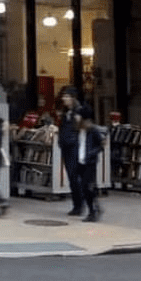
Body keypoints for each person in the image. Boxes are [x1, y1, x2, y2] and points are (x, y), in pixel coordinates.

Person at [58, 87, 91, 218]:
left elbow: (84, 129)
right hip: (66, 146)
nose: (63, 99)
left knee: (75, 176)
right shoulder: (67, 112)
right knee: (72, 178)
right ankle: (77, 204)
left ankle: (81, 204)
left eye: (66, 96)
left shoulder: (79, 111)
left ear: (73, 98)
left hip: (75, 147)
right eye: (63, 96)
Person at [75, 111, 105, 222]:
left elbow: (101, 145)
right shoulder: (78, 131)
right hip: (80, 162)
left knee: (87, 187)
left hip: (89, 163)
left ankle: (93, 211)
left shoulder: (93, 131)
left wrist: (91, 153)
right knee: (84, 187)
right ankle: (96, 207)